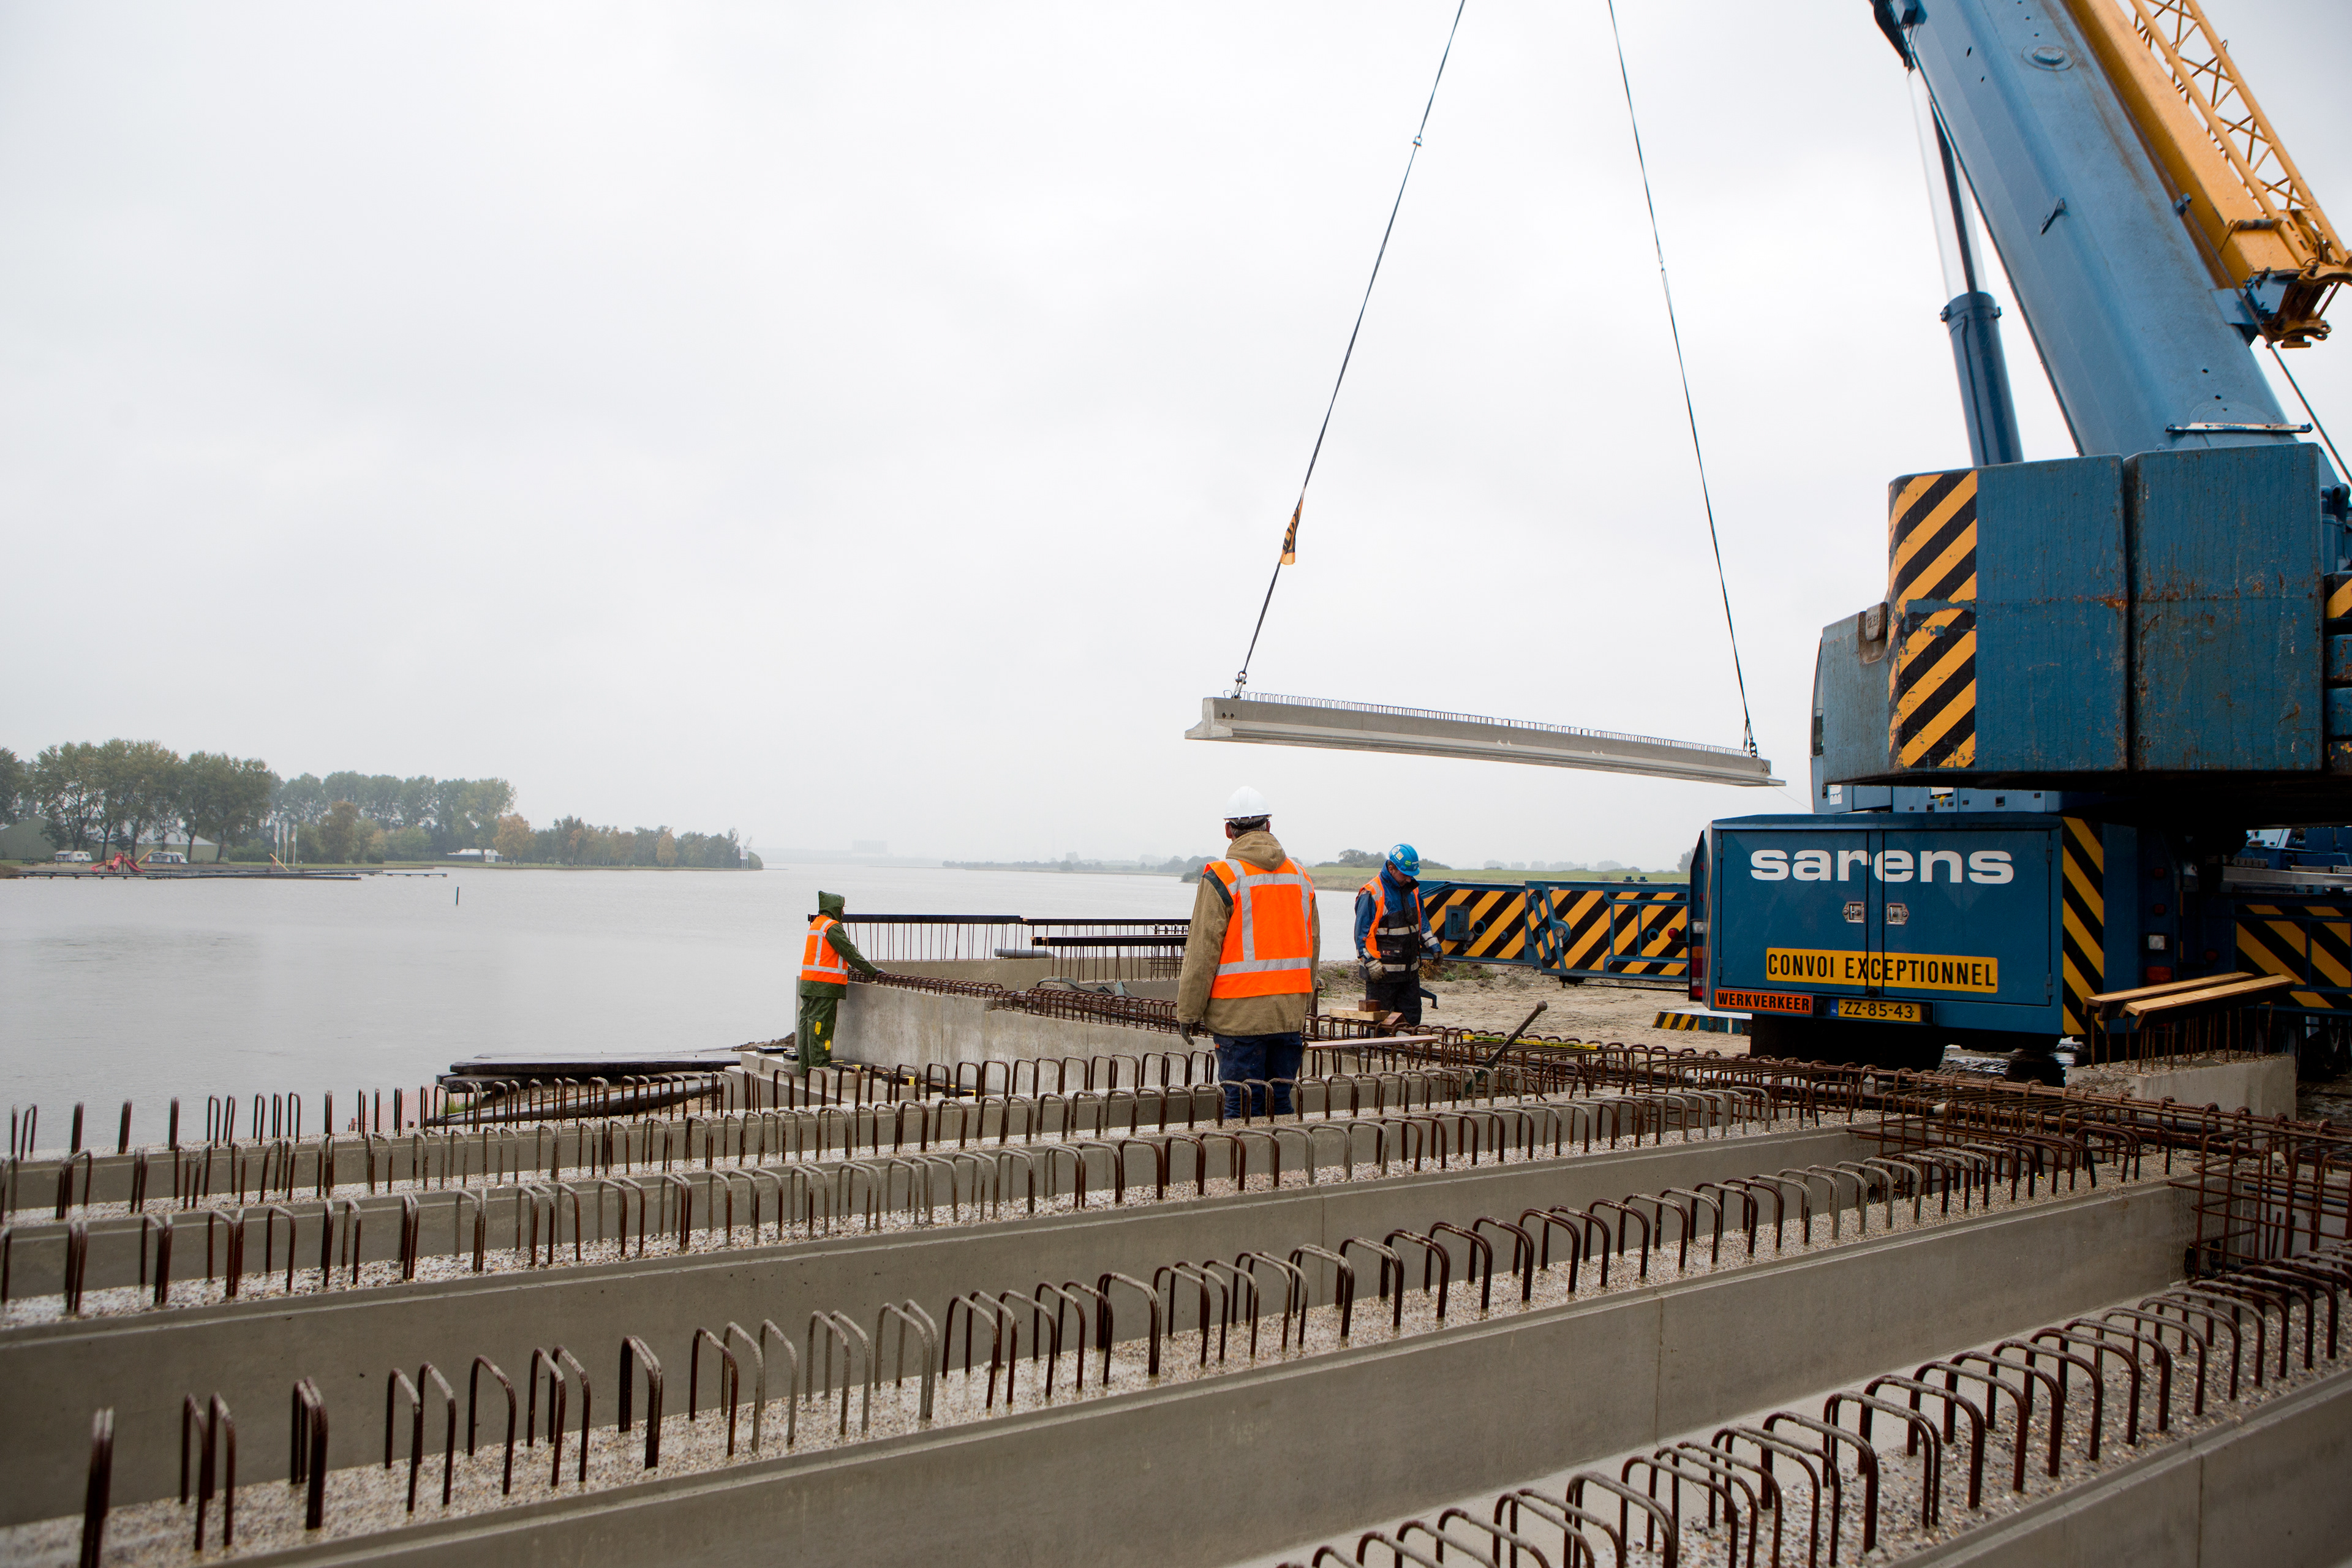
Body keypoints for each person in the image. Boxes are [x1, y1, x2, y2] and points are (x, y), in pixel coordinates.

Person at [1175, 785, 1321, 1118]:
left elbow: (1201, 953)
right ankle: (1283, 1168)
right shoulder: (1300, 877)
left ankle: (1241, 1171)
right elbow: (1312, 948)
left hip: (1238, 1019)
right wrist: (1303, 1003)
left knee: (1240, 1106)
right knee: (1279, 1104)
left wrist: (1188, 1012)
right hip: (1287, 1014)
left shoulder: (1222, 877)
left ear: (1229, 830)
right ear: (1269, 826)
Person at [1355, 843, 1441, 1027]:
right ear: (1391, 868)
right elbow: (1362, 934)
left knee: (1411, 1019)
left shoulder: (1413, 890)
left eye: (1412, 875)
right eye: (1405, 875)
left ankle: (1404, 1053)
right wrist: (1370, 962)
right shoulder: (1372, 892)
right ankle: (1377, 1054)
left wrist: (1433, 945)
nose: (1409, 879)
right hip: (1382, 975)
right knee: (1379, 1022)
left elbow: (1421, 921)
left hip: (1409, 974)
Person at [798, 890, 882, 1075]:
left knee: (806, 1026)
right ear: (834, 909)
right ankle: (819, 1066)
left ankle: (805, 1067)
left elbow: (827, 956)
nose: (843, 912)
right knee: (822, 1026)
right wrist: (872, 971)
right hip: (824, 986)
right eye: (842, 908)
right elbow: (849, 951)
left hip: (809, 984)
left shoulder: (816, 925)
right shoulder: (832, 927)